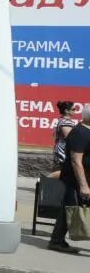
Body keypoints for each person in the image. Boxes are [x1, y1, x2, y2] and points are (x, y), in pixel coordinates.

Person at [49, 105, 90, 251]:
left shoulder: (85, 131)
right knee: (70, 209)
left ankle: (57, 241)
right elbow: (75, 160)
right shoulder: (80, 133)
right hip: (77, 180)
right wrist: (84, 185)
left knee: (68, 209)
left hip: (83, 179)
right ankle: (56, 242)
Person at [52, 100, 77, 173]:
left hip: (62, 151)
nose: (75, 111)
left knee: (61, 173)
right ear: (66, 111)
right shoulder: (66, 122)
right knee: (61, 172)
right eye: (73, 109)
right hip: (63, 152)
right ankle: (43, 182)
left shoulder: (64, 121)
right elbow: (69, 137)